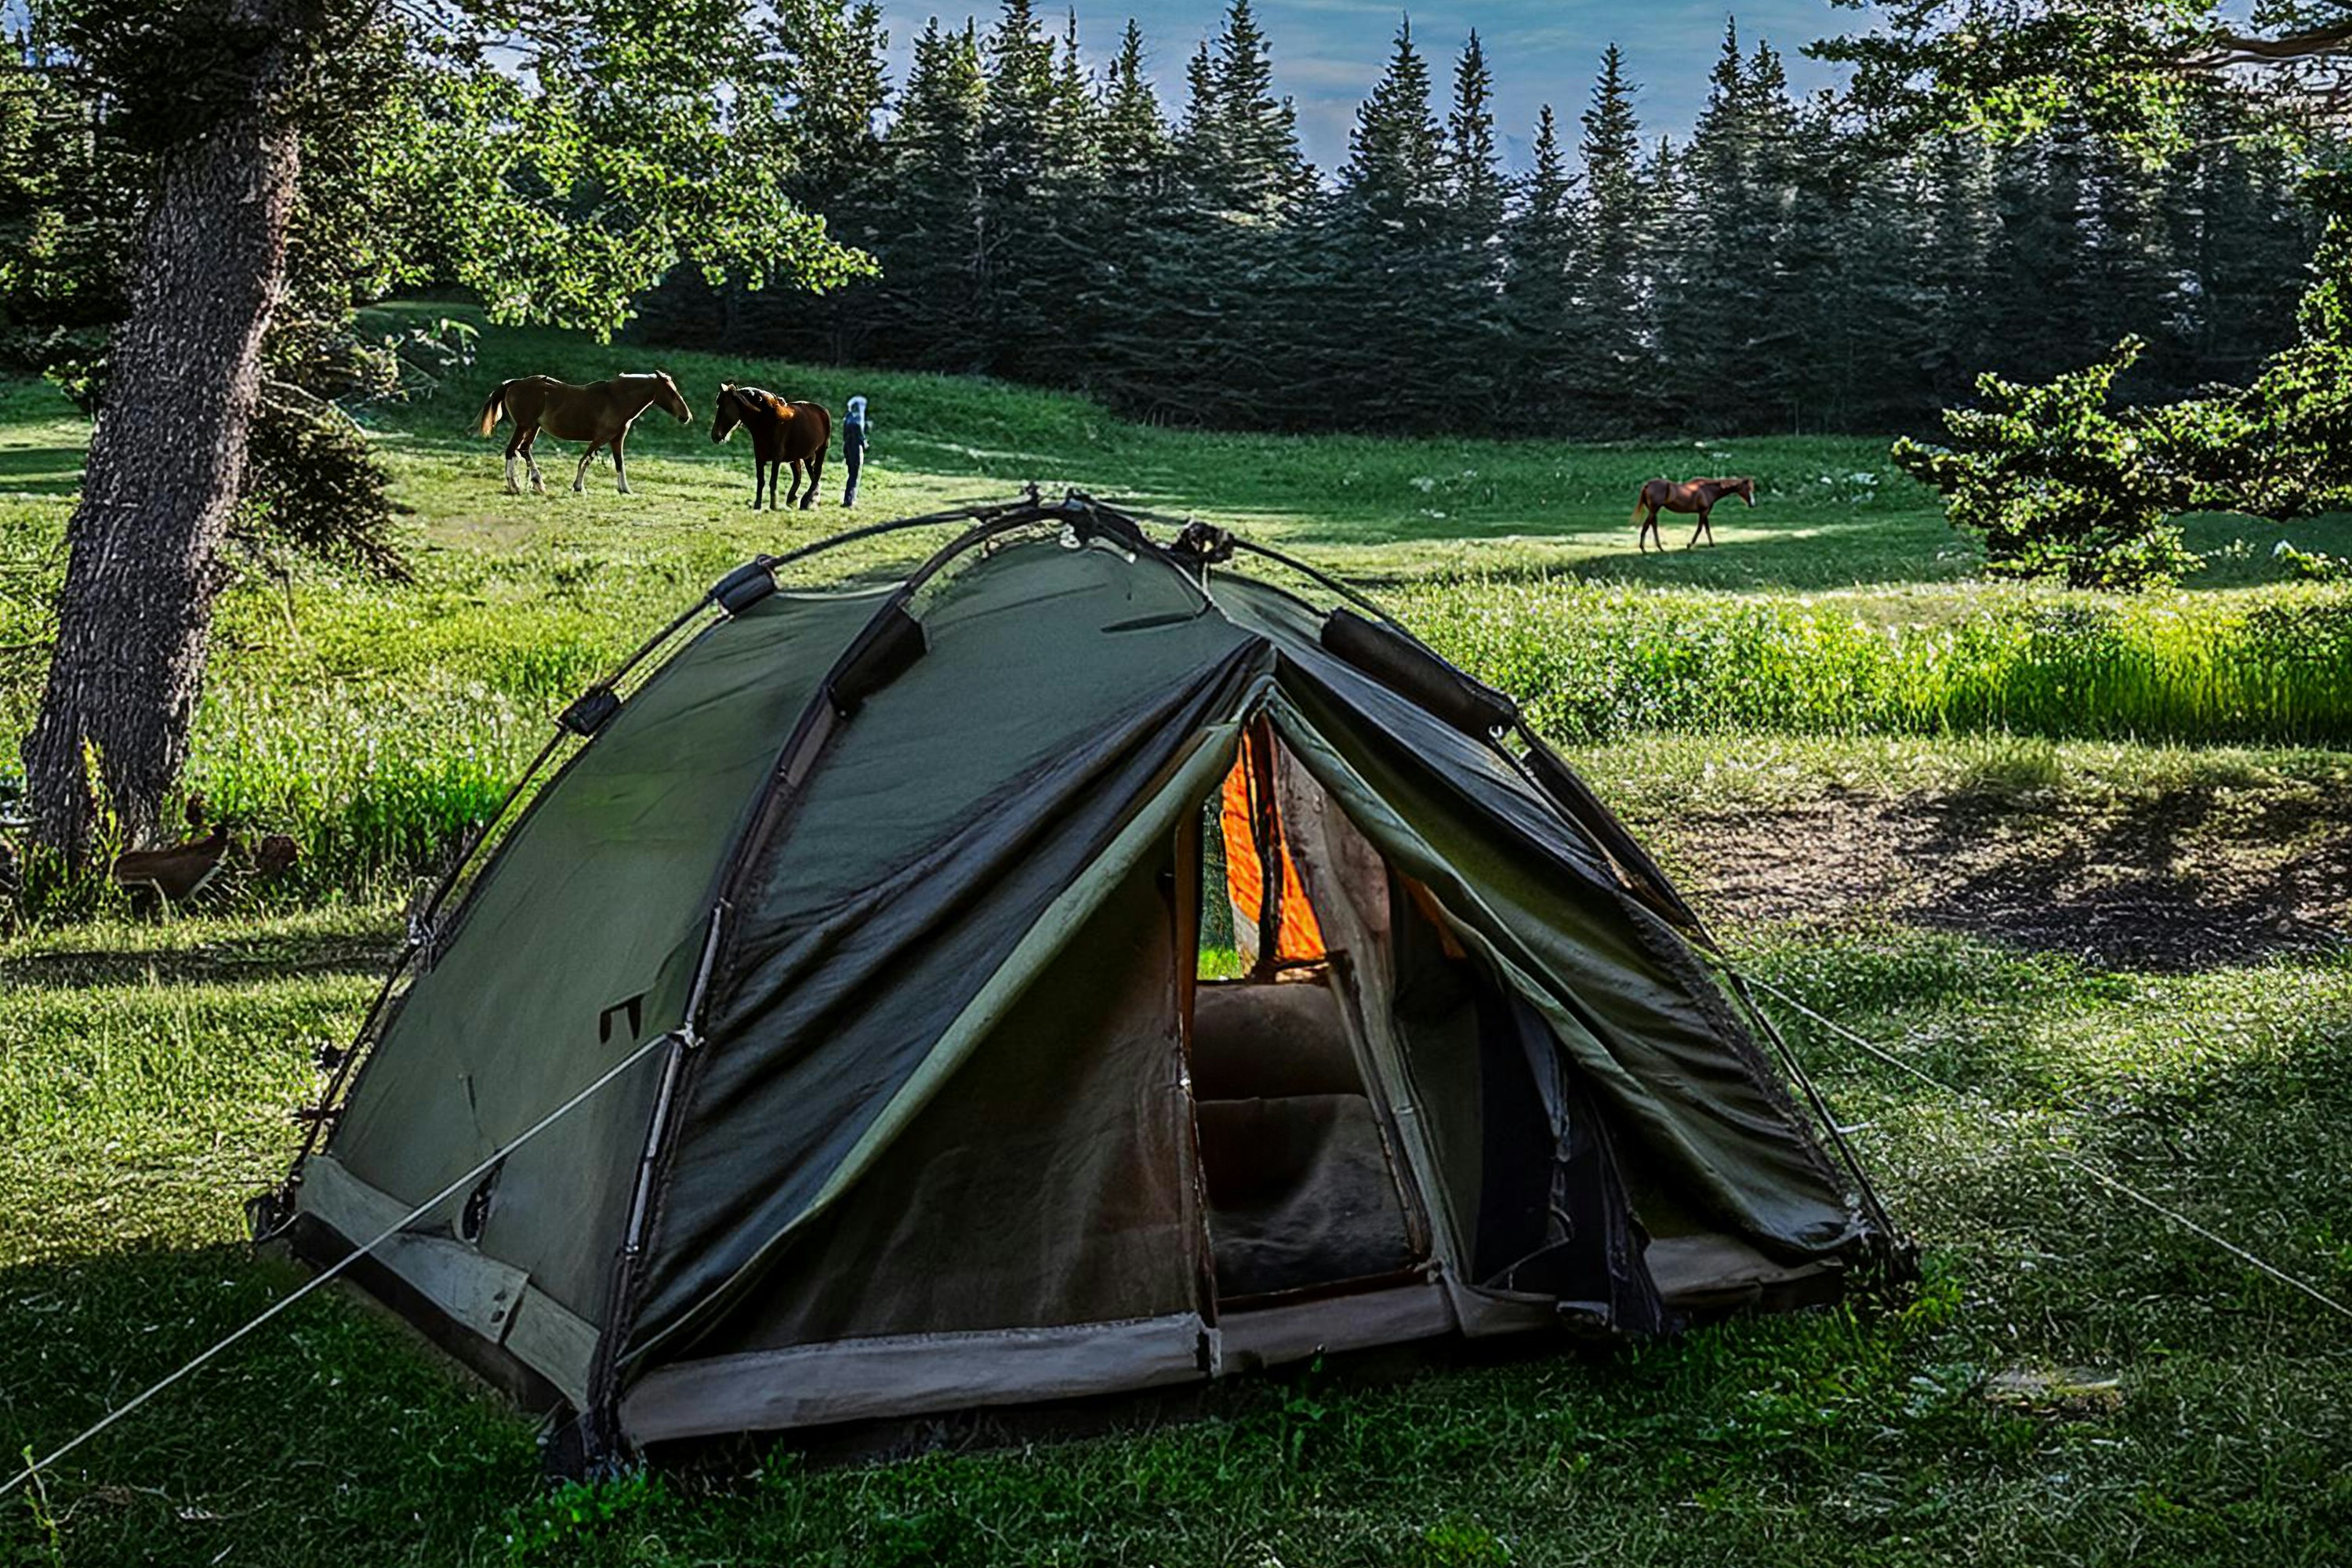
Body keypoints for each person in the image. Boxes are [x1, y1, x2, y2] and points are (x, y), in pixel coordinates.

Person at [841, 394, 871, 507]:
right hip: (855, 447)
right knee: (855, 474)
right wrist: (863, 441)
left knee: (851, 473)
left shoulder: (847, 417)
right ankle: (850, 500)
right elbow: (859, 430)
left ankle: (847, 498)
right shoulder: (857, 419)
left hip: (847, 446)